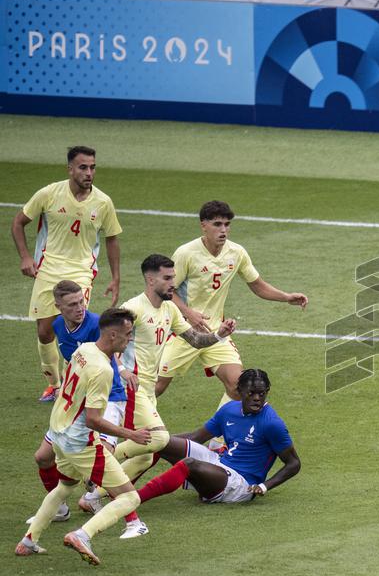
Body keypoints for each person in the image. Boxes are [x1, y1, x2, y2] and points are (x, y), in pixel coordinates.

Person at [78, 254, 236, 538]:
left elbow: (196, 340)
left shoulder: (170, 310)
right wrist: (123, 369)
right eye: (167, 278)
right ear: (150, 280)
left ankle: (93, 496)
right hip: (129, 389)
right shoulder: (132, 309)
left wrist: (220, 335)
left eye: (173, 278)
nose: (172, 283)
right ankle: (101, 459)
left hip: (148, 391)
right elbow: (105, 344)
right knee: (160, 439)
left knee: (148, 453)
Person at [15, 308, 151, 565]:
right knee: (129, 496)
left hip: (58, 433)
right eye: (127, 334)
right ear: (112, 335)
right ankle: (82, 534)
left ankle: (29, 541)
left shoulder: (83, 349)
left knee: (65, 486)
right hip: (80, 443)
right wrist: (130, 433)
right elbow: (94, 419)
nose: (129, 339)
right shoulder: (103, 370)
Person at [155, 201, 308, 407]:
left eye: (227, 224)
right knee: (155, 388)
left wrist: (286, 297)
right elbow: (166, 290)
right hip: (183, 332)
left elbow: (257, 285)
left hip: (217, 331)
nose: (224, 230)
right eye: (217, 224)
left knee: (240, 388)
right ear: (203, 225)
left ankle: (218, 438)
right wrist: (188, 312)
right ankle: (112, 425)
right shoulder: (186, 253)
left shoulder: (236, 253)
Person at [10, 146, 123, 402]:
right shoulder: (49, 193)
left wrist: (115, 277)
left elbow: (112, 239)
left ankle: (80, 383)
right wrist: (26, 257)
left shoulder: (103, 202)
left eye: (93, 167)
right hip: (48, 269)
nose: (89, 172)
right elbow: (18, 222)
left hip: (81, 271)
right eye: (83, 167)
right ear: (70, 169)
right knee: (44, 332)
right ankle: (54, 384)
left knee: (76, 327)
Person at [25, 280, 138, 525]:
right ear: (58, 307)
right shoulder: (58, 326)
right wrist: (62, 388)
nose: (80, 308)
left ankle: (128, 516)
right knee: (43, 457)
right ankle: (60, 508)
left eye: (81, 301)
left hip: (109, 397)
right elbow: (73, 362)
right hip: (77, 403)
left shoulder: (96, 324)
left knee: (101, 459)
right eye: (72, 304)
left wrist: (123, 368)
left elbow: (113, 348)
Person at [136, 369, 300, 505]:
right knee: (160, 440)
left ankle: (135, 499)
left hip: (240, 484)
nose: (257, 398)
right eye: (251, 393)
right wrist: (158, 439)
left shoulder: (272, 423)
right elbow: (196, 437)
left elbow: (294, 463)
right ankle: (125, 486)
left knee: (189, 464)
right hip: (220, 463)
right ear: (239, 391)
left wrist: (264, 486)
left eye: (262, 393)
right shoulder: (229, 410)